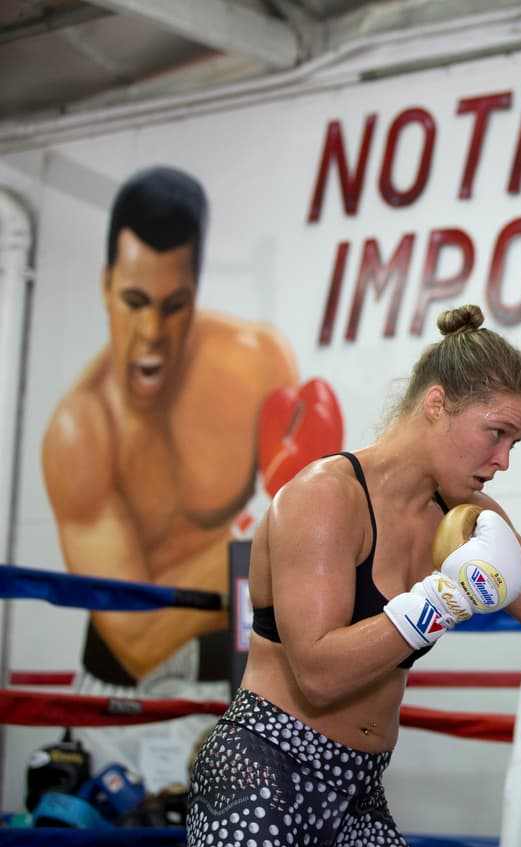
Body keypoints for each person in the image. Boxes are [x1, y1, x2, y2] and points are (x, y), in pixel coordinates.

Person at [186, 303, 521, 847]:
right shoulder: (324, 498)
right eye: (496, 433)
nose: (503, 460)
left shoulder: (464, 515)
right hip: (265, 771)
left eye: (515, 443)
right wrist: (446, 598)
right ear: (437, 405)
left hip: (359, 788)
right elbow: (319, 675)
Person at [40, 164, 341, 790]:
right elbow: (135, 637)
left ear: (195, 290)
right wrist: (265, 510)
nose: (151, 334)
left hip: (233, 670)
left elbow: (302, 552)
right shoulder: (81, 429)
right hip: (125, 688)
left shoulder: (257, 362)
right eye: (134, 302)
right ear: (105, 285)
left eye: (173, 306)